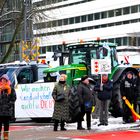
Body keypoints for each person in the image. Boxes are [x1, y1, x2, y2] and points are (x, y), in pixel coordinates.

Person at [0, 74, 16, 140]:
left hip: (7, 111)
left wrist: (9, 104)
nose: (3, 81)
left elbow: (14, 98)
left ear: (7, 81)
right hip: (0, 111)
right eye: (2, 80)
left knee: (6, 126)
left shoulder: (11, 89)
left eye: (4, 80)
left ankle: (6, 138)